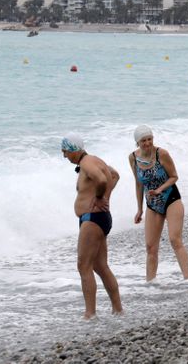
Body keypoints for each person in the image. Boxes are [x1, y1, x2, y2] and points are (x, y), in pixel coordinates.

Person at [61, 134, 123, 319]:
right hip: (99, 217)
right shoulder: (94, 160)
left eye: (65, 152)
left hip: (93, 219)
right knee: (101, 266)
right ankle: (118, 310)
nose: (64, 156)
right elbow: (114, 175)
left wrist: (98, 198)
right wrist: (105, 197)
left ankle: (90, 314)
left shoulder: (87, 163)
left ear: (73, 150)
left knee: (83, 265)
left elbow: (102, 180)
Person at [129, 125, 188, 281]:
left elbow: (174, 177)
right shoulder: (133, 158)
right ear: (137, 142)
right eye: (143, 140)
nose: (148, 143)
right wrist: (139, 209)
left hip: (171, 199)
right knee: (150, 247)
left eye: (150, 139)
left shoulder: (161, 154)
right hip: (152, 204)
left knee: (174, 239)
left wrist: (159, 189)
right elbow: (138, 183)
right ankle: (150, 284)